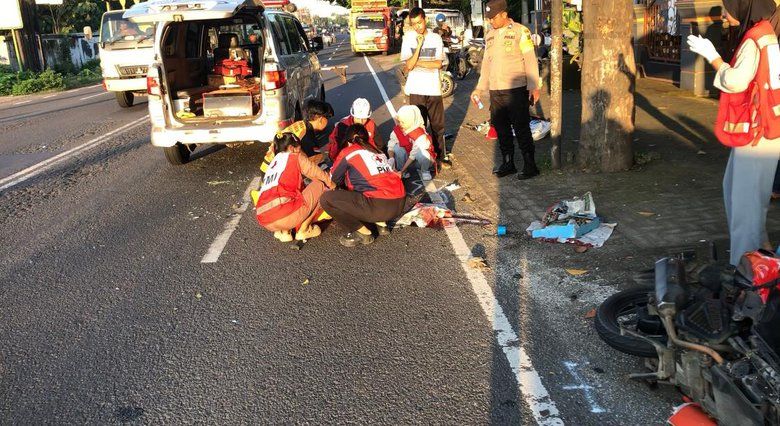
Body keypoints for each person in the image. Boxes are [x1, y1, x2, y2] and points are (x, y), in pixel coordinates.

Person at [686, 0, 780, 265]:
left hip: (758, 133)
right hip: (765, 130)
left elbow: (737, 81)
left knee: (744, 205)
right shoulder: (765, 33)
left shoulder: (755, 39)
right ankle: (761, 252)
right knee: (740, 194)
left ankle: (746, 272)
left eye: (727, 7)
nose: (724, 14)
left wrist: (712, 57)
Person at [470, 0, 541, 179]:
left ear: (503, 14)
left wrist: (534, 86)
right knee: (501, 129)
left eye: (493, 18)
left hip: (516, 89)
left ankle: (530, 165)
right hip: (496, 90)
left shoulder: (520, 31)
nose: (491, 21)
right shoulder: (490, 35)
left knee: (521, 127)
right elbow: (486, 63)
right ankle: (508, 162)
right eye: (489, 19)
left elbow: (530, 59)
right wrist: (480, 88)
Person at [320, 124, 407, 247]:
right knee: (369, 184)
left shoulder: (349, 152)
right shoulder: (378, 152)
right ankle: (382, 225)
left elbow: (334, 179)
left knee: (326, 199)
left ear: (349, 141)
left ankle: (363, 233)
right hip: (399, 204)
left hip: (378, 206)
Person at [255, 132, 335, 242]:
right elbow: (319, 175)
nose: (301, 151)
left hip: (264, 220)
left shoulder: (273, 163)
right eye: (299, 148)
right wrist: (333, 186)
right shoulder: (295, 157)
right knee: (321, 184)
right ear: (292, 148)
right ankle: (304, 229)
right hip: (285, 216)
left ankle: (284, 232)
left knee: (290, 193)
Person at [400, 7, 449, 168]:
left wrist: (417, 62)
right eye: (414, 24)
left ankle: (440, 157)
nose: (417, 27)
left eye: (419, 23)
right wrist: (419, 47)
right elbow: (407, 66)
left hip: (433, 89)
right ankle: (420, 157)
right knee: (418, 126)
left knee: (437, 126)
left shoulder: (435, 38)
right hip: (416, 90)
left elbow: (438, 64)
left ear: (425, 20)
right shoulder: (408, 38)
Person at [260, 100, 334, 174]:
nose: (328, 122)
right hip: (274, 174)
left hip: (268, 168)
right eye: (327, 118)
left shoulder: (302, 124)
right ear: (321, 119)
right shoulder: (305, 135)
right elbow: (313, 162)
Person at [388, 105, 436, 181]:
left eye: (403, 122)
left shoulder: (420, 134)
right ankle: (402, 171)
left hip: (419, 161)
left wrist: (402, 170)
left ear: (411, 121)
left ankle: (425, 170)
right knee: (397, 148)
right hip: (408, 158)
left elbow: (413, 155)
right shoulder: (398, 129)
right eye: (399, 121)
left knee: (422, 153)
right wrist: (391, 158)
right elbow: (391, 145)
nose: (400, 124)